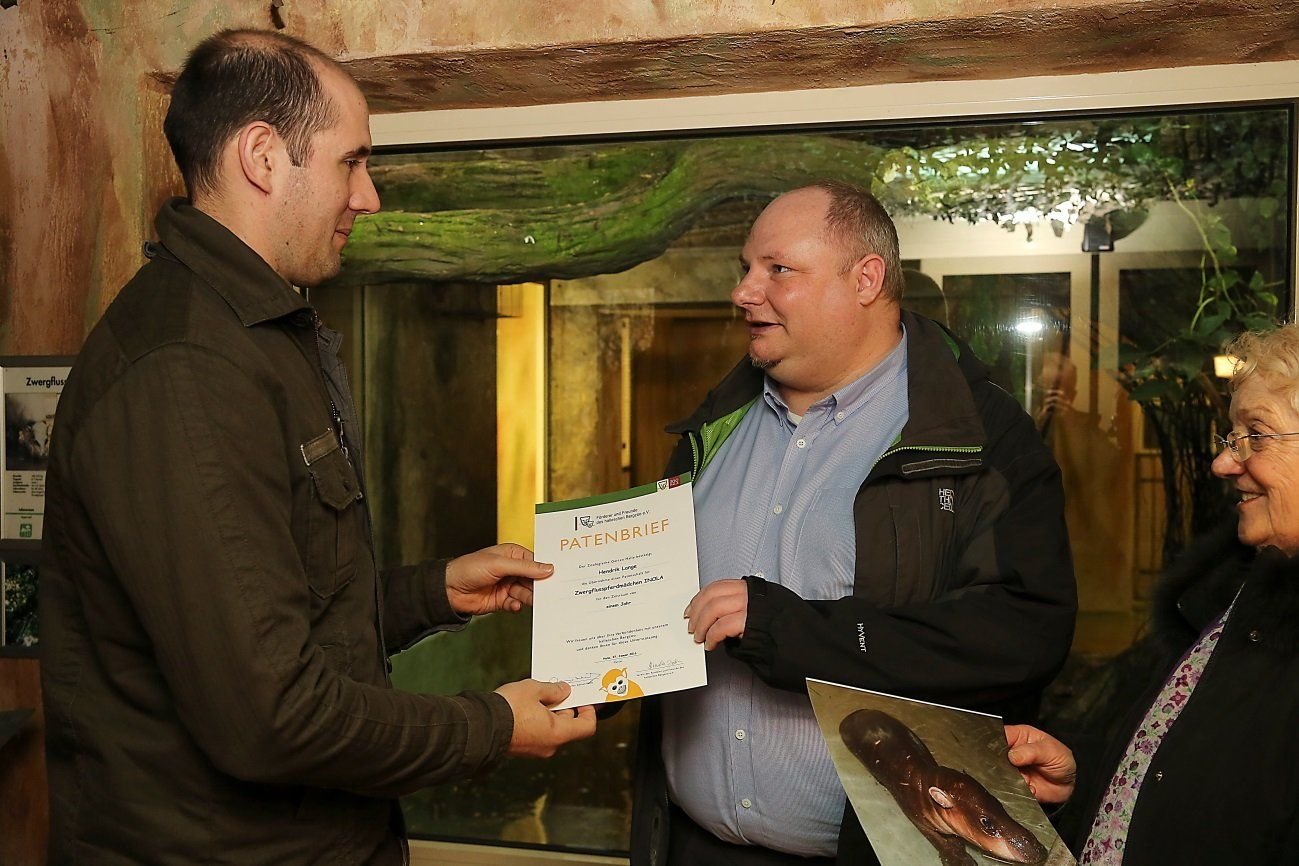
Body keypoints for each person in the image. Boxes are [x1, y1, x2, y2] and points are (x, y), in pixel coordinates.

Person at [40, 29, 594, 865]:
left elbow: (276, 612)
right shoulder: (187, 367)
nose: (368, 196)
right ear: (264, 157)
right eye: (351, 162)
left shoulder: (257, 334)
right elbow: (270, 714)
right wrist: (490, 726)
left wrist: (433, 593)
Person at [631, 181, 1077, 866]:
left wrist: (796, 632)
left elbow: (1022, 634)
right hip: (692, 845)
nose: (744, 292)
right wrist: (596, 649)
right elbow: (663, 609)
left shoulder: (979, 436)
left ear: (866, 280)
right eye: (745, 269)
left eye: (778, 269)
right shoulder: (711, 427)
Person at [1007, 323, 1299, 866]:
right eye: (1231, 437)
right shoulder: (1232, 596)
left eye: (1256, 436)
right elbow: (1197, 785)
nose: (1223, 463)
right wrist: (1088, 781)